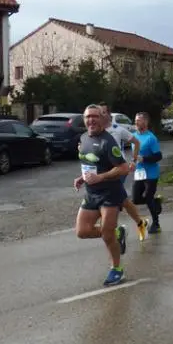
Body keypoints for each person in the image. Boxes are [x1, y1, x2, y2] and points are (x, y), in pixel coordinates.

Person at [74, 104, 131, 286]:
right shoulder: (83, 138)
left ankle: (116, 269)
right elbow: (91, 164)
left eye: (95, 116)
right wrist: (82, 178)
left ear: (102, 119)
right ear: (84, 120)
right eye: (88, 116)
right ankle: (116, 233)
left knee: (107, 236)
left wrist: (101, 177)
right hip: (92, 193)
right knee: (82, 232)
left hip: (110, 194)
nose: (91, 120)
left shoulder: (108, 141)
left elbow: (123, 168)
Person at [98, 102, 151, 241]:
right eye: (99, 113)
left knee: (111, 200)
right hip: (103, 172)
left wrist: (133, 161)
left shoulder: (118, 129)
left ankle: (116, 232)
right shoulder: (96, 131)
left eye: (103, 112)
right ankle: (141, 222)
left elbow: (136, 142)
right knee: (123, 200)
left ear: (109, 114)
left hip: (119, 170)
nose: (100, 115)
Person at [132, 112, 164, 234]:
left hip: (151, 174)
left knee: (148, 197)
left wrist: (144, 159)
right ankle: (156, 202)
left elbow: (158, 156)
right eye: (135, 120)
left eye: (139, 120)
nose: (136, 122)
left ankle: (156, 224)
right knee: (135, 199)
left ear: (145, 122)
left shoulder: (151, 138)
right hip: (139, 173)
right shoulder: (133, 136)